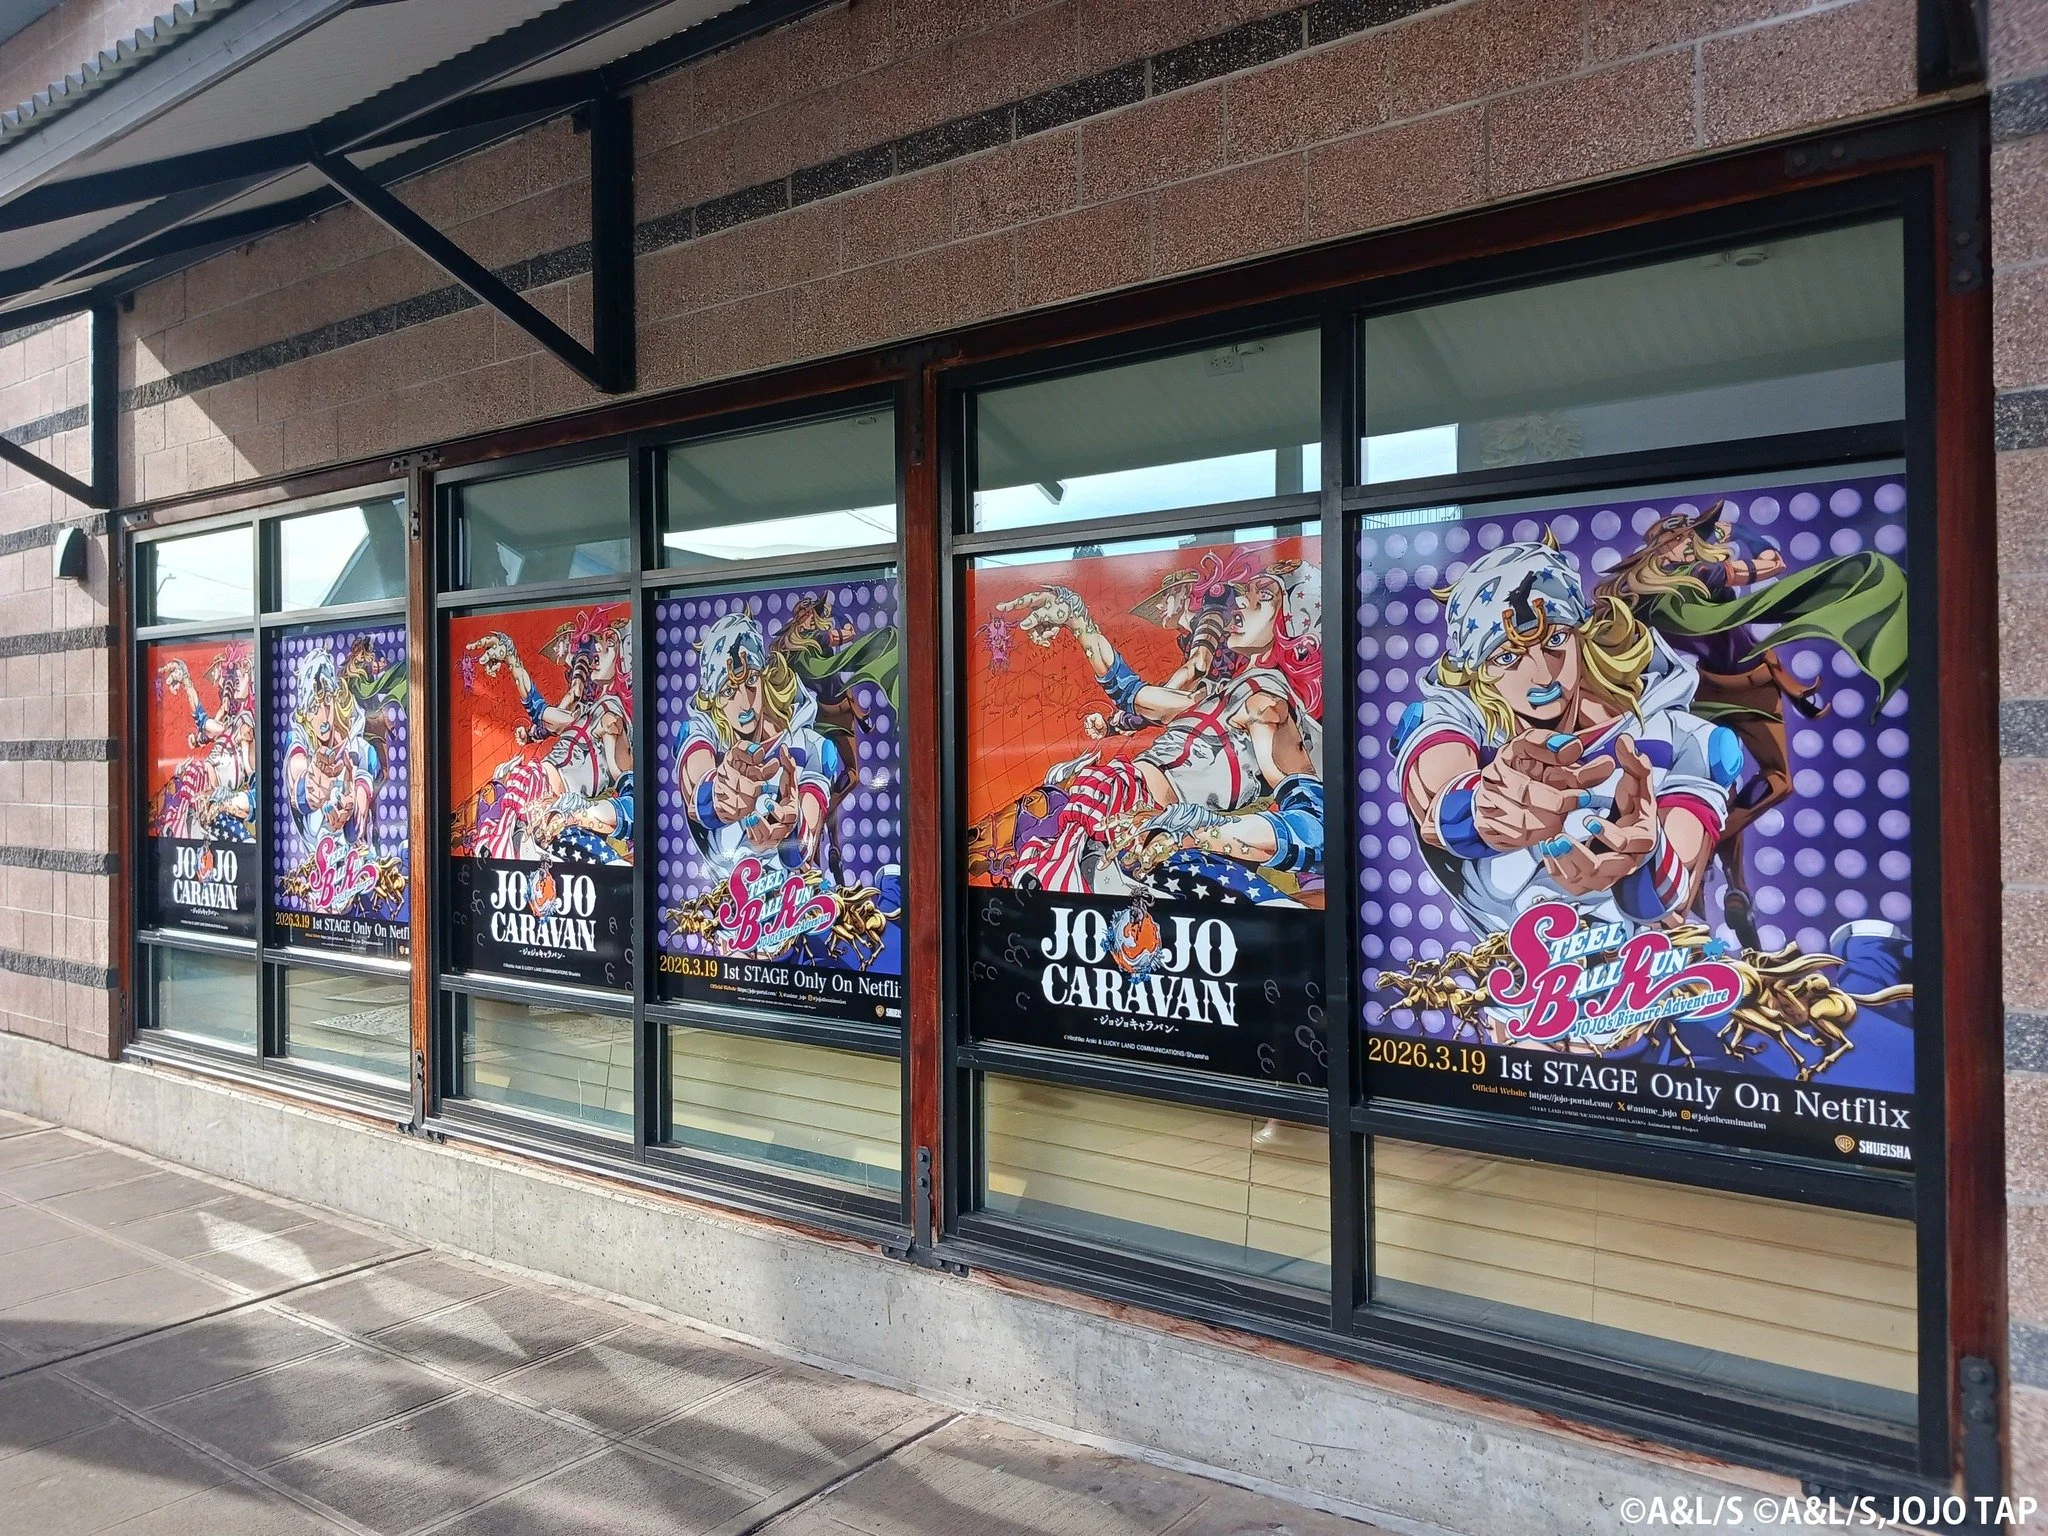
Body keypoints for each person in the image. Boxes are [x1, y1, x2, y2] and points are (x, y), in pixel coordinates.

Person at [1392, 538, 1740, 952]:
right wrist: (1482, 807)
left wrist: (1645, 852)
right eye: (1506, 657)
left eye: (1555, 639)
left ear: (1582, 635)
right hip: (1510, 993)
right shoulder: (1458, 716)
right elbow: (1433, 796)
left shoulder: (1682, 739)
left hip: (1642, 987)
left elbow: (1672, 899)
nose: (1541, 675)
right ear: (1479, 672)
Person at [1597, 498, 1908, 946]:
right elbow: (1773, 563)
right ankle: (1696, 860)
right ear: (1673, 545)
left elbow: (1738, 618)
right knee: (1778, 780)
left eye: (1693, 538)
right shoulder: (1704, 575)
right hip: (1745, 686)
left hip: (1704, 690)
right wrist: (1735, 536)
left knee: (1718, 793)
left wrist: (1793, 686)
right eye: (1687, 538)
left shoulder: (1643, 590)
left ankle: (1728, 880)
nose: (1692, 544)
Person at [990, 549, 1324, 905]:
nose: (1241, 600)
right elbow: (1131, 693)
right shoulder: (1219, 694)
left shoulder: (1267, 707)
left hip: (1145, 835)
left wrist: (1194, 831)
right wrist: (1077, 619)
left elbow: (1313, 828)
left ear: (1295, 626)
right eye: (1248, 590)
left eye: (1265, 596)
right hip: (1106, 808)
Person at [460, 607, 633, 865]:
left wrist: (578, 814)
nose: (597, 648)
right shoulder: (584, 714)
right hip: (528, 789)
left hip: (551, 810)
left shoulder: (611, 721)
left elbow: (630, 796)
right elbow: (539, 710)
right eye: (599, 640)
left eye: (610, 642)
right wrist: (512, 660)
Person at [151, 641, 256, 842]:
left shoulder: (245, 725)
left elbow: (253, 776)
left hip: (220, 805)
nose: (228, 683)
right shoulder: (232, 723)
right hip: (206, 798)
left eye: (238, 677)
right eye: (229, 678)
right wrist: (187, 682)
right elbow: (204, 721)